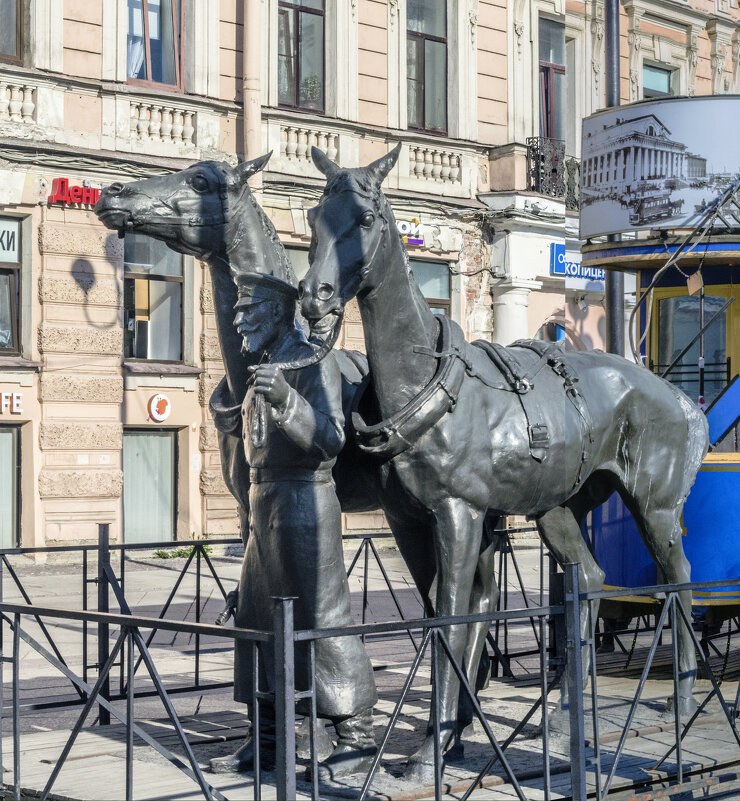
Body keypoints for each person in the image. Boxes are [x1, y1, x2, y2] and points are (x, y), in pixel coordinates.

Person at [208, 265, 377, 781]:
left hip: (306, 499)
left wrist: (285, 399)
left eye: (248, 313)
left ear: (278, 313)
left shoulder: (309, 362)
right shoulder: (258, 362)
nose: (239, 323)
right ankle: (268, 738)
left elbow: (329, 440)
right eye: (237, 313)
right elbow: (244, 442)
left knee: (320, 616)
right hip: (264, 502)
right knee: (257, 618)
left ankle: (355, 736)